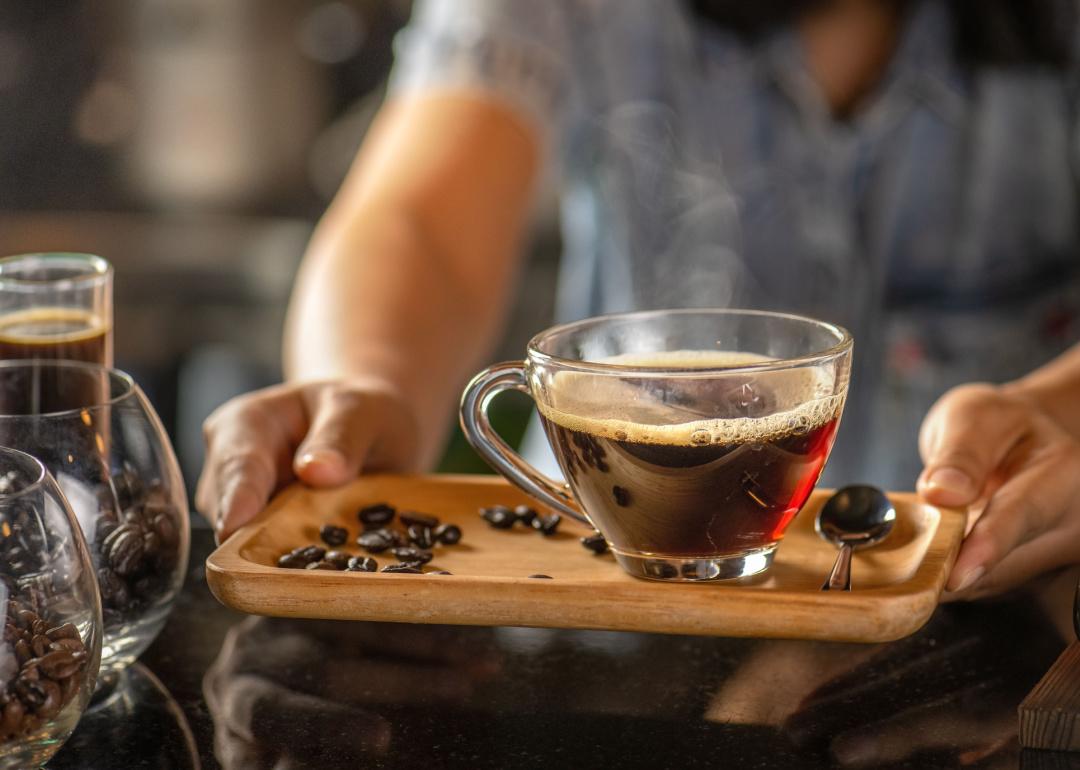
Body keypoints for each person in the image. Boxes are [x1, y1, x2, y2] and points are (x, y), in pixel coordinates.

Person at [197, 0, 1080, 599]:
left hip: (1005, 617)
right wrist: (367, 382)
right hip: (607, 624)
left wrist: (1061, 410)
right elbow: (420, 218)